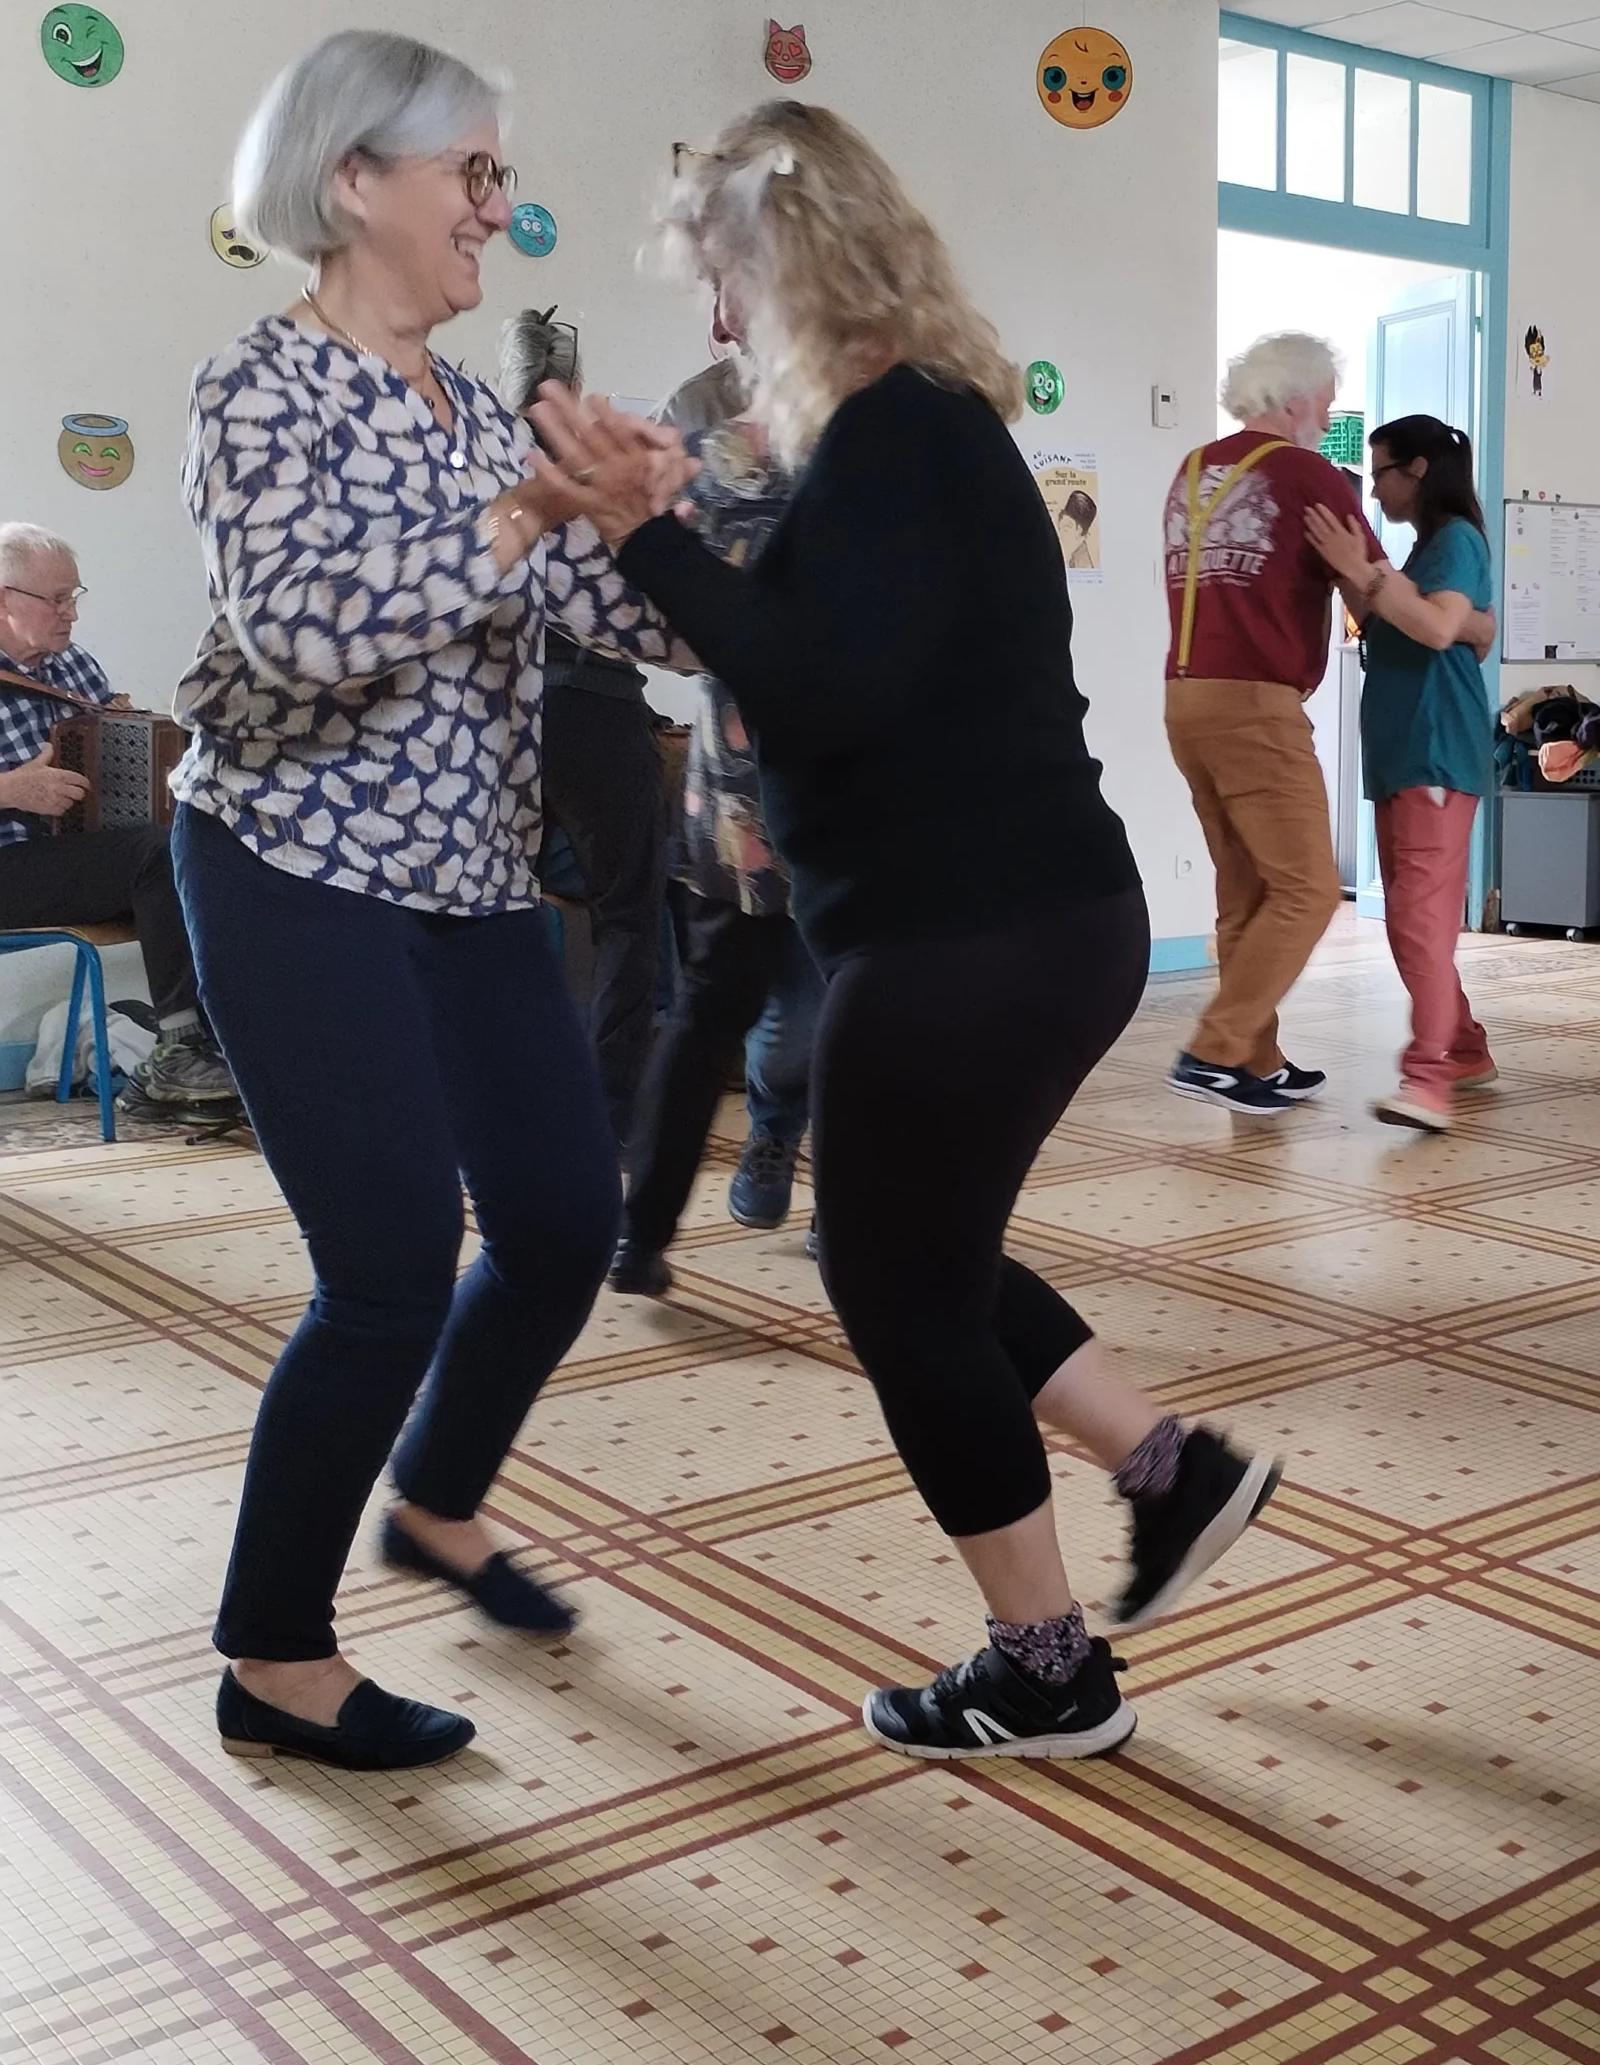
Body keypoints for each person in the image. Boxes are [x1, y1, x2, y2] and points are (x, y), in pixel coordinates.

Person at [537, 102, 1283, 1764]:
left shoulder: (899, 436)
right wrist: (666, 519)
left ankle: (1045, 1668)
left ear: (789, 266)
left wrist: (642, 527)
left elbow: (814, 683)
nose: (720, 322)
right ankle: (1175, 1471)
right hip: (1018, 922)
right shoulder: (913, 435)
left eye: (728, 280)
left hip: (967, 937)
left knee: (896, 1287)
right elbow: (814, 647)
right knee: (918, 1254)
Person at [176, 29, 684, 1773]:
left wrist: (660, 521)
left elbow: (619, 628)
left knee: (561, 1226)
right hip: (291, 868)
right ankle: (273, 1657)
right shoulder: (261, 387)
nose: (496, 207)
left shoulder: (473, 408)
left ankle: (439, 1501)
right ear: (352, 181)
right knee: (390, 1269)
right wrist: (535, 510)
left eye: (497, 175)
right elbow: (301, 634)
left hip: (463, 881)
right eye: (472, 173)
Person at [608, 332, 823, 1294]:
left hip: (742, 788)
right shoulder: (842, 447)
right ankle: (818, 1197)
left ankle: (640, 1233)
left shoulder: (708, 453)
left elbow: (650, 615)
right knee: (832, 1015)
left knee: (710, 1018)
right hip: (809, 790)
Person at [1158, 336, 1378, 1118]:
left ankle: (1258, 1058)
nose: (1327, 415)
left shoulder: (1193, 471)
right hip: (1255, 703)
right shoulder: (1304, 472)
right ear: (1295, 399)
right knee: (1312, 889)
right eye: (1324, 400)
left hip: (1187, 698)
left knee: (1245, 887)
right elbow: (1376, 588)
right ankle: (1214, 1052)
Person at [497, 307, 669, 1150]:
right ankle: (609, 1118)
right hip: (593, 702)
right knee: (628, 912)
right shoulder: (591, 465)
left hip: (495, 712)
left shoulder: (471, 458)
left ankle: (499, 1104)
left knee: (490, 908)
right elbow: (639, 601)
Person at [1305, 414, 1498, 1133]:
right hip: (1401, 757)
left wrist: (1363, 572)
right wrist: (1348, 576)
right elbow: (1398, 620)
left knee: (1418, 923)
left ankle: (1428, 1079)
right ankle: (1467, 1049)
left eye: (1382, 471)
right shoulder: (1424, 555)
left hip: (1436, 754)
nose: (1376, 486)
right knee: (1417, 924)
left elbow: (1443, 627)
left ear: (1416, 471)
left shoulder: (1457, 543)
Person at [0, 524, 234, 1113]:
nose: (70, 614)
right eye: (55, 599)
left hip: (72, 859)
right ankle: (179, 1049)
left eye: (74, 596)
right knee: (157, 854)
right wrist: (13, 789)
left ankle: (236, 1043)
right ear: (4, 597)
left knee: (214, 847)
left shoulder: (73, 667)